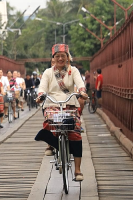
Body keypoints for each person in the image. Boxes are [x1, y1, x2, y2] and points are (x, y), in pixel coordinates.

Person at [35, 43, 88, 181]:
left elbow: (80, 83)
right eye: (57, 56)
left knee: (75, 132)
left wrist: (82, 91)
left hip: (70, 102)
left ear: (67, 57)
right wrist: (40, 95)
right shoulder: (48, 72)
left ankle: (77, 170)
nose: (60, 59)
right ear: (53, 58)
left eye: (62, 56)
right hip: (52, 103)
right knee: (50, 122)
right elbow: (43, 87)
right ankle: (51, 144)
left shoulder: (73, 70)